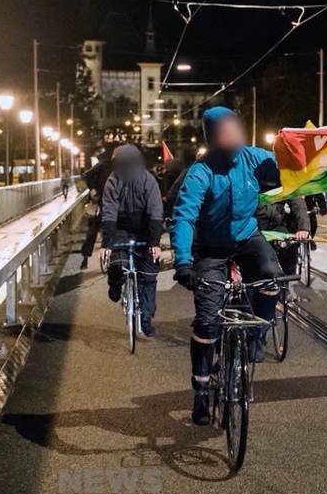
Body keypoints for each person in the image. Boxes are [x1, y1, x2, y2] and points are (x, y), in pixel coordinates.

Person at [171, 106, 284, 426]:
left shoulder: (253, 158)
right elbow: (184, 217)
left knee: (271, 277)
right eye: (224, 131)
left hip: (247, 237)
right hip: (211, 248)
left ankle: (256, 337)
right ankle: (201, 390)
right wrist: (183, 263)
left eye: (235, 128)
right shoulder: (200, 172)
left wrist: (296, 147)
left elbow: (287, 168)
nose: (232, 135)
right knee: (206, 321)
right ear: (212, 136)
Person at [99, 144, 163, 337]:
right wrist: (107, 244)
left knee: (149, 274)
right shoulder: (113, 181)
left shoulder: (148, 180)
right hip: (121, 228)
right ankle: (116, 283)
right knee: (118, 264)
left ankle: (145, 317)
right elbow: (109, 212)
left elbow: (155, 211)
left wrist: (154, 243)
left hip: (143, 229)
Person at [256, 198, 310, 275]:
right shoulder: (249, 186)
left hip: (278, 227)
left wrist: (303, 227)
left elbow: (297, 202)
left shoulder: (283, 186)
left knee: (290, 248)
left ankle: (287, 278)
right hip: (254, 227)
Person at [80, 153, 114, 269]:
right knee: (94, 228)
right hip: (104, 202)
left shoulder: (124, 165)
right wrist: (93, 189)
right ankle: (85, 257)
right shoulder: (105, 164)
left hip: (116, 202)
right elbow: (87, 175)